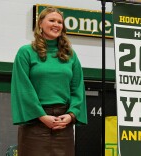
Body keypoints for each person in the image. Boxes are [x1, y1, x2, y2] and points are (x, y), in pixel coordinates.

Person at [11, 7, 87, 156]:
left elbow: (77, 88)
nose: (56, 24)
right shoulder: (26, 52)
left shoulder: (70, 55)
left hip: (63, 123)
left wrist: (71, 115)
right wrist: (42, 116)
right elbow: (23, 88)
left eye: (60, 22)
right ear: (40, 24)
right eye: (52, 20)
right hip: (35, 123)